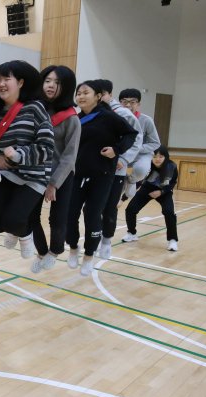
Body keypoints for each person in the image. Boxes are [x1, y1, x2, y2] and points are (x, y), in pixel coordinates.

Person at [0, 60, 55, 259]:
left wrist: (18, 155)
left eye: (7, 78)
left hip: (32, 177)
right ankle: (15, 229)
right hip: (6, 174)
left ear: (21, 82)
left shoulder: (35, 109)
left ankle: (24, 234)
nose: (1, 84)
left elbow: (47, 148)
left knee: (15, 220)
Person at [66, 80, 137, 275]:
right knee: (70, 215)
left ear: (98, 96)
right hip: (76, 175)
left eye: (85, 92)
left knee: (92, 215)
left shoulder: (109, 117)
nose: (80, 96)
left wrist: (117, 150)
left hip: (102, 176)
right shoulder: (76, 119)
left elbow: (131, 134)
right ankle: (73, 248)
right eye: (78, 93)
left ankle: (89, 256)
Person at [28, 65, 81, 273]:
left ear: (66, 87)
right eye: (48, 80)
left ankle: (55, 251)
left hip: (62, 175)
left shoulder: (71, 118)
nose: (50, 85)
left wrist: (53, 184)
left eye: (57, 83)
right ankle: (41, 252)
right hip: (35, 172)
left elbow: (69, 157)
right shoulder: (34, 109)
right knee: (30, 216)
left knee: (57, 218)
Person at [96, 79, 143, 260]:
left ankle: (106, 241)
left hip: (116, 169)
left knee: (109, 207)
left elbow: (136, 139)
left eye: (102, 94)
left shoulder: (123, 113)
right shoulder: (90, 113)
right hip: (95, 169)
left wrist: (123, 157)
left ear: (109, 95)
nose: (100, 98)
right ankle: (96, 237)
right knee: (92, 208)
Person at [122, 147, 178, 251]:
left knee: (169, 212)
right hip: (147, 188)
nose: (157, 159)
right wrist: (123, 199)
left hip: (164, 191)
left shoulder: (172, 166)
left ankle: (173, 240)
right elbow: (138, 182)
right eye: (155, 156)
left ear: (166, 157)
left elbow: (172, 183)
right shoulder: (147, 165)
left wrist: (161, 192)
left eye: (161, 156)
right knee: (130, 209)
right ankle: (132, 233)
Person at [119, 88, 161, 198]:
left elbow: (155, 143)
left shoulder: (146, 120)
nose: (128, 105)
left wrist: (136, 148)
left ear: (138, 104)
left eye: (132, 102)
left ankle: (131, 180)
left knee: (141, 170)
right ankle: (122, 181)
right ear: (119, 103)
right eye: (124, 102)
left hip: (141, 154)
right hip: (120, 153)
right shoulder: (114, 118)